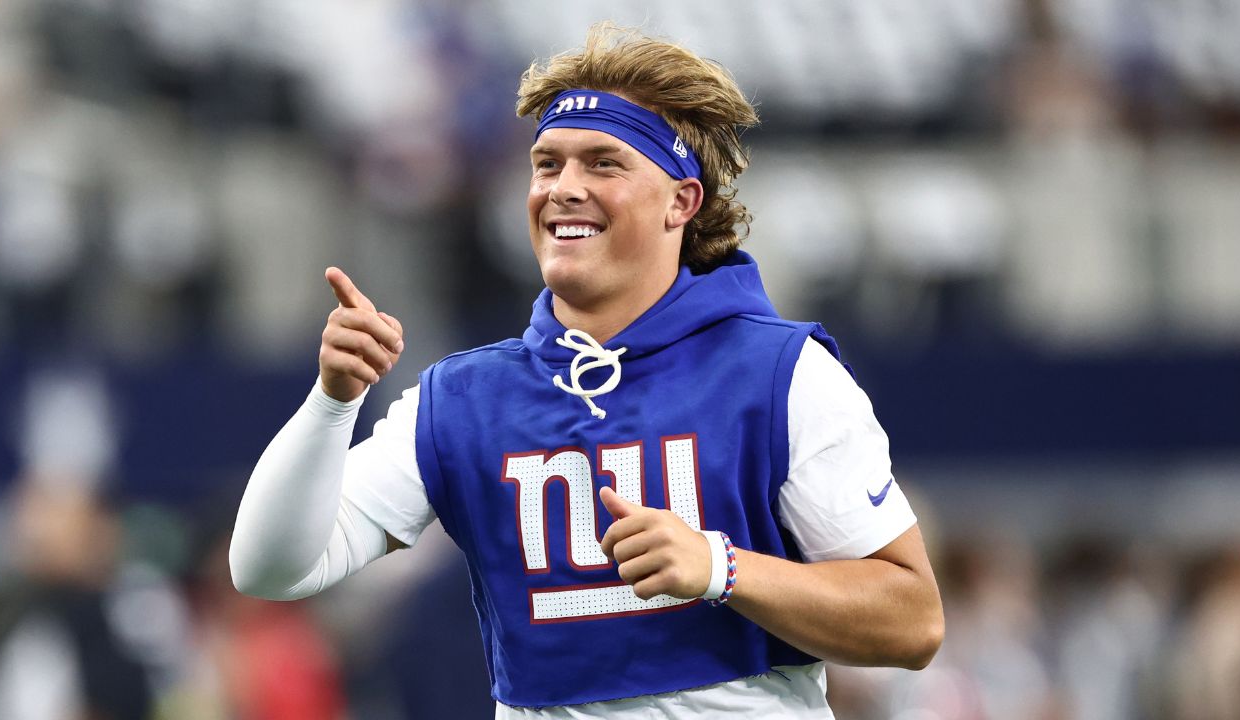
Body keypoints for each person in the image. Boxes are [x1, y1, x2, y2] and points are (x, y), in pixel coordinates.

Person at [230, 24, 943, 718]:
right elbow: (270, 569)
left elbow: (912, 622)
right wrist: (331, 404)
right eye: (548, 164)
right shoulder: (465, 399)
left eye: (604, 162)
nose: (563, 187)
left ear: (681, 202)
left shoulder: (779, 375)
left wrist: (724, 570)